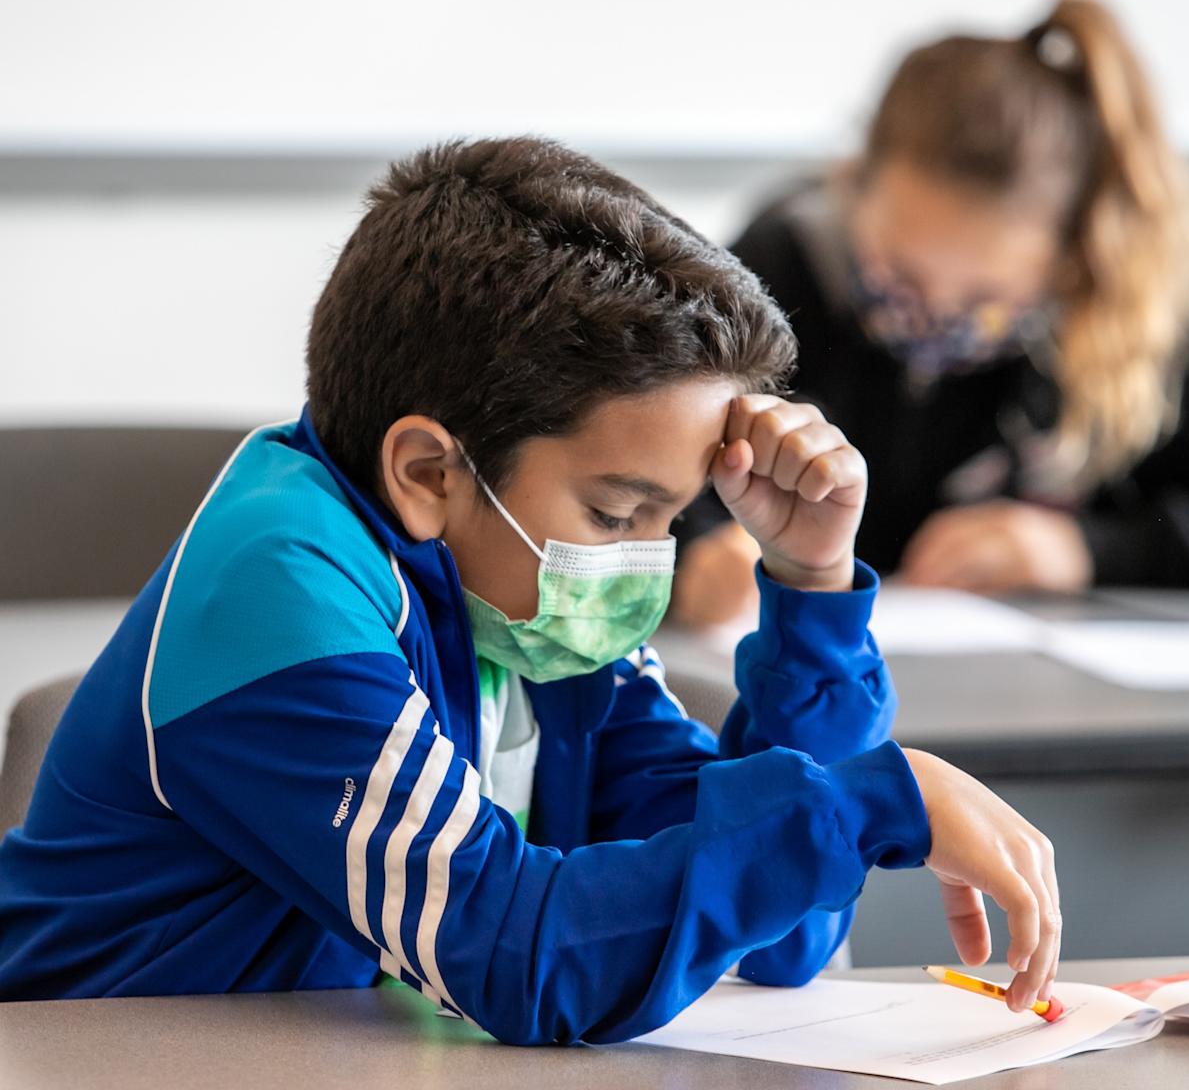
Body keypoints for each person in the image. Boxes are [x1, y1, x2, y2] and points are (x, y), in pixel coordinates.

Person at [0, 139, 1060, 1042]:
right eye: (618, 513)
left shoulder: (521, 600)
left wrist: (812, 582)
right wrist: (867, 803)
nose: (645, 560)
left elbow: (771, 933)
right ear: (430, 473)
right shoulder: (278, 592)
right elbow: (528, 956)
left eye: (672, 518)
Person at [672, 0, 1189, 628]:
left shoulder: (1136, 322)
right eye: (899, 277)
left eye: (985, 302)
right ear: (853, 186)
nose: (933, 320)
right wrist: (698, 554)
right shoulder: (780, 265)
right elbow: (652, 452)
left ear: (1069, 263)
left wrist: (1085, 550)